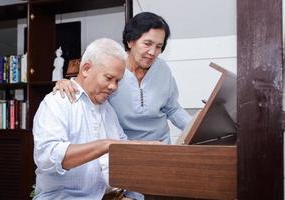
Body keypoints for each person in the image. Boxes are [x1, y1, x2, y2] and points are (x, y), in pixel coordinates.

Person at [53, 12, 192, 199]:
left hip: (159, 151)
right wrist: (67, 83)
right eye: (147, 44)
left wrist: (195, 129)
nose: (153, 52)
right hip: (124, 153)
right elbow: (89, 90)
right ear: (130, 42)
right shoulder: (112, 70)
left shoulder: (163, 69)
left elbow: (173, 108)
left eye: (159, 46)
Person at [33, 38, 156, 200]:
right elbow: (48, 158)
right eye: (108, 78)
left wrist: (132, 195)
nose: (114, 87)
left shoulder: (108, 110)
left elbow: (125, 159)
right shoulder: (57, 102)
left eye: (117, 81)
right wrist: (106, 145)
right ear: (86, 69)